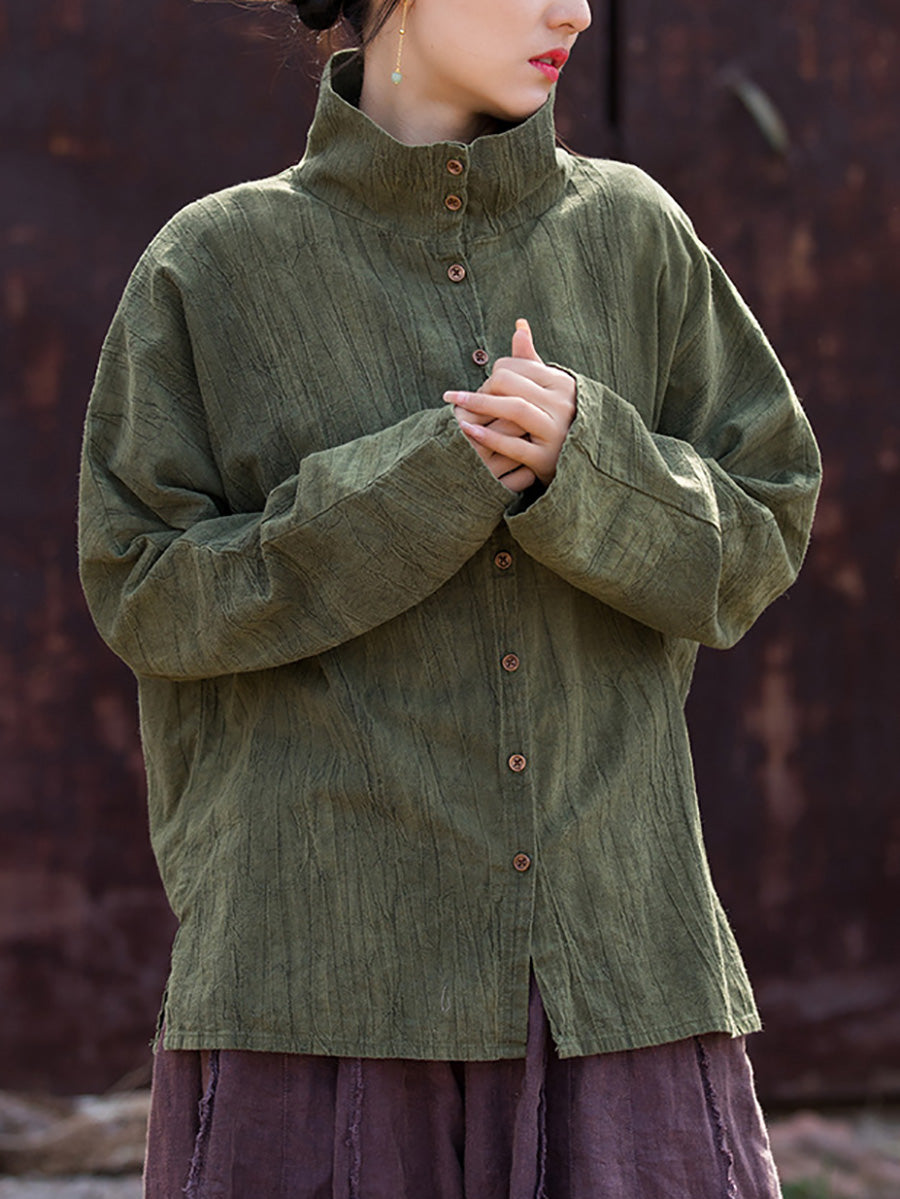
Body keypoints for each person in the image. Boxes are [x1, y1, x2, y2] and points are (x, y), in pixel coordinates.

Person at [77, 0, 821, 1195]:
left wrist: (592, 463)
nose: (575, 10)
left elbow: (765, 522)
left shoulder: (634, 234)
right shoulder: (212, 263)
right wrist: (422, 481)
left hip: (612, 983)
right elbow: (146, 592)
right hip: (316, 993)